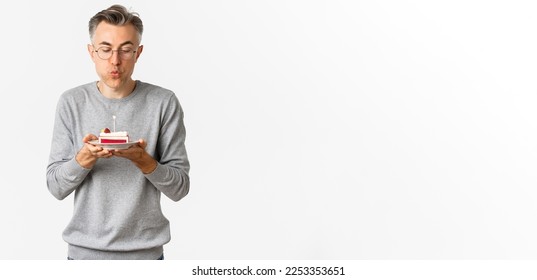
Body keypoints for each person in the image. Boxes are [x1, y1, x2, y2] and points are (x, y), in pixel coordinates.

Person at [46, 4, 190, 260]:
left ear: (138, 53)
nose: (115, 60)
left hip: (146, 256)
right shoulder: (71, 102)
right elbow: (56, 187)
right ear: (91, 52)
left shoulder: (163, 102)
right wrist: (85, 158)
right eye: (105, 49)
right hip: (83, 255)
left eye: (125, 50)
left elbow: (179, 188)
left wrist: (142, 160)